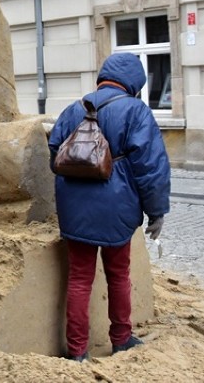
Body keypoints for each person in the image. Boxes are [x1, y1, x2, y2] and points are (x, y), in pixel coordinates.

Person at [48, 53, 170, 361]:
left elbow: (54, 156)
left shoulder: (74, 109)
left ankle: (76, 351)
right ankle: (121, 339)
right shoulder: (135, 111)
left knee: (78, 278)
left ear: (103, 76)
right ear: (134, 84)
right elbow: (151, 168)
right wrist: (156, 211)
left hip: (75, 208)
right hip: (118, 208)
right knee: (118, 274)